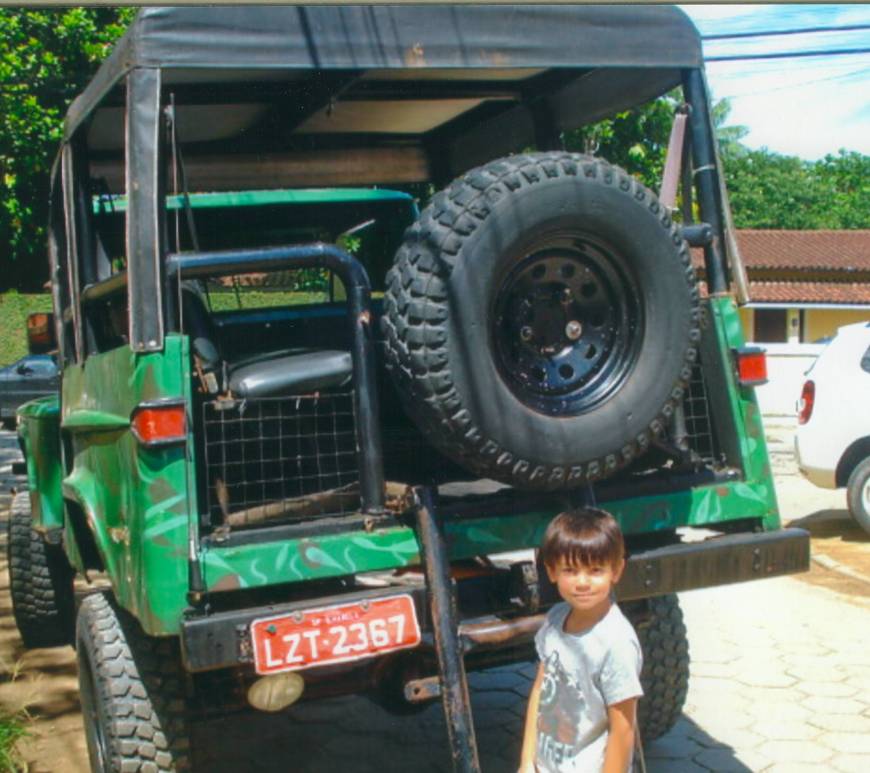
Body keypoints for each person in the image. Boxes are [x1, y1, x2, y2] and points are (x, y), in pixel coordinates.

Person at [519, 508, 643, 773]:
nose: (582, 582)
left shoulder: (616, 643)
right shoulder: (555, 620)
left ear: (616, 570)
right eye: (570, 570)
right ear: (551, 571)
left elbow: (623, 729)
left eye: (595, 570)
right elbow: (540, 691)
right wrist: (527, 761)